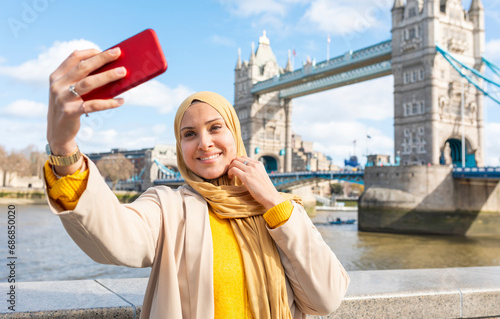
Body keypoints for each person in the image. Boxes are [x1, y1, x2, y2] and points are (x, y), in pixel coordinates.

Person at [43, 48, 350, 318]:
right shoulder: (168, 207)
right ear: (179, 147)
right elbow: (113, 238)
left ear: (236, 134)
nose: (204, 143)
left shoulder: (284, 211)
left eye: (216, 127)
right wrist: (64, 148)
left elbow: (326, 299)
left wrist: (273, 201)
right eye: (189, 134)